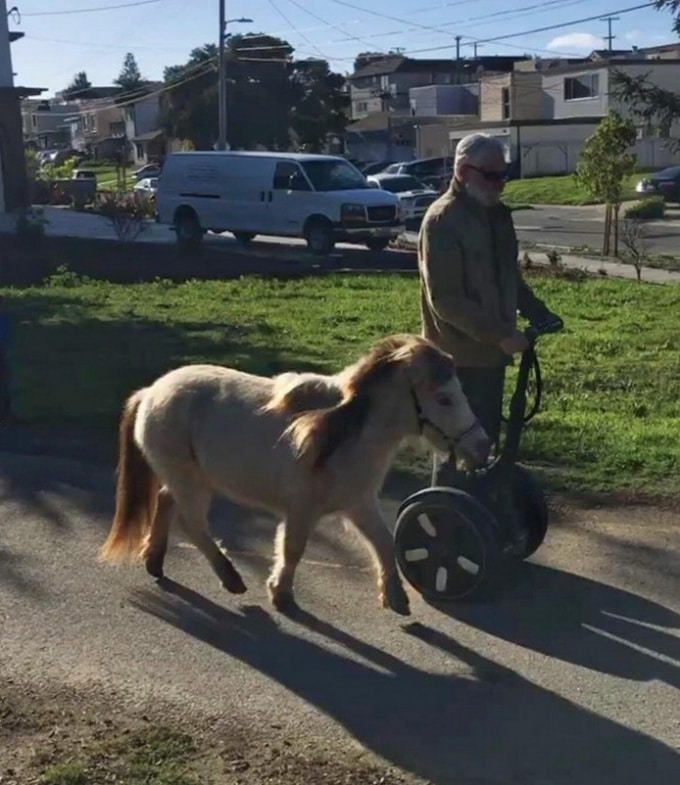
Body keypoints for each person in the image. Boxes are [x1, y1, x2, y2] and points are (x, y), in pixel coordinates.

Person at [417, 132, 561, 484]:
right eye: (491, 175)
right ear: (463, 172)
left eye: (503, 175)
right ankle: (443, 513)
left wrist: (538, 312)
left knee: (483, 445)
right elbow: (445, 299)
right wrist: (499, 335)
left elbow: (509, 277)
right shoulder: (443, 221)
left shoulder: (496, 217)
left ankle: (478, 508)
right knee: (455, 450)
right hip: (456, 360)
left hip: (491, 358)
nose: (500, 184)